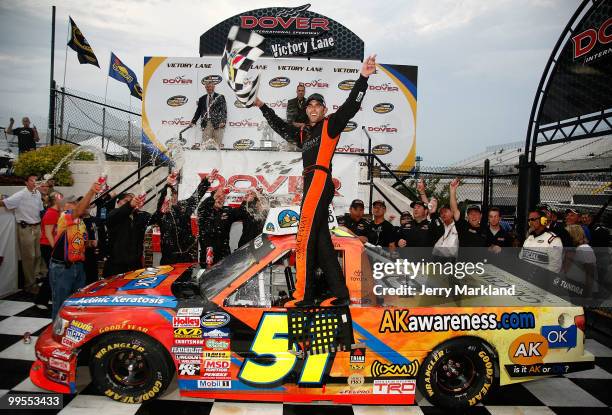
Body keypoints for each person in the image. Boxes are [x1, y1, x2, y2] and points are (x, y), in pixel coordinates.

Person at [253, 54, 377, 306]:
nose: (312, 109)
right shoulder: (304, 133)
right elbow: (280, 126)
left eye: (317, 106)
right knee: (320, 241)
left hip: (320, 178)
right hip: (313, 181)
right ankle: (341, 294)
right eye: (309, 106)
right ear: (306, 109)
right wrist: (261, 106)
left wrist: (363, 77)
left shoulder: (330, 125)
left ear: (324, 110)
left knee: (304, 237)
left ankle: (304, 295)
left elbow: (351, 105)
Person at [49, 183, 101, 318]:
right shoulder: (65, 216)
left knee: (76, 304)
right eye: (73, 203)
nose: (77, 205)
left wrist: (89, 243)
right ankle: (56, 335)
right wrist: (91, 191)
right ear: (65, 206)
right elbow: (77, 211)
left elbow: (78, 242)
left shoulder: (81, 222)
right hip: (62, 268)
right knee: (61, 305)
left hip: (78, 266)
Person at [150, 171, 213, 265]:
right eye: (168, 197)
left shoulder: (183, 207)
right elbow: (159, 206)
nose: (171, 199)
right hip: (168, 258)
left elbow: (196, 197)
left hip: (186, 257)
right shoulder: (160, 213)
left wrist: (206, 182)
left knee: (187, 278)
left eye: (173, 196)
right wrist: (167, 185)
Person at [0, 174, 44, 293]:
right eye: (32, 180)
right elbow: (5, 203)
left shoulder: (37, 193)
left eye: (37, 180)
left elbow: (40, 210)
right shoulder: (21, 194)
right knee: (29, 257)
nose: (35, 182)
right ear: (26, 182)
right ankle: (29, 285)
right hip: (26, 228)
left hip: (37, 227)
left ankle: (35, 280)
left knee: (38, 255)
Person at [198, 186, 249, 266]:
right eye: (218, 197)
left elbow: (241, 212)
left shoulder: (227, 211)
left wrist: (246, 201)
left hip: (224, 255)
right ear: (212, 199)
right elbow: (203, 206)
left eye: (223, 198)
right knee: (207, 277)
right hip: (207, 255)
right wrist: (214, 197)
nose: (220, 199)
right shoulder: (204, 212)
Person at [103, 192, 149, 277]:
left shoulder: (139, 216)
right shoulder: (113, 214)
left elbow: (154, 218)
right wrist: (130, 205)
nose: (130, 203)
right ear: (118, 202)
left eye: (131, 201)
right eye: (125, 201)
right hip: (117, 266)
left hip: (135, 266)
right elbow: (117, 215)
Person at [36, 191, 64, 309]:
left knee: (55, 273)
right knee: (52, 273)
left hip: (52, 245)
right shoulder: (51, 213)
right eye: (61, 198)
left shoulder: (58, 212)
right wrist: (56, 249)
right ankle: (41, 300)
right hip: (48, 246)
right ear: (56, 200)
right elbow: (48, 233)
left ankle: (50, 297)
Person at [449, 178, 487, 248]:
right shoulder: (463, 226)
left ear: (480, 216)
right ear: (467, 216)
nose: (474, 216)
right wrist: (452, 190)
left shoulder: (486, 230)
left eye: (476, 213)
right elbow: (454, 210)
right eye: (471, 214)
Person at [190, 81, 227, 149]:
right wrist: (193, 121)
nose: (209, 88)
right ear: (205, 88)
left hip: (218, 123)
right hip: (206, 123)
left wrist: (223, 121)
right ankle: (206, 159)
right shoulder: (202, 99)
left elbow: (224, 110)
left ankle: (217, 159)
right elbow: (198, 111)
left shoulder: (220, 97)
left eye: (210, 86)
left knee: (217, 144)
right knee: (205, 145)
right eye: (207, 87)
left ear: (214, 87)